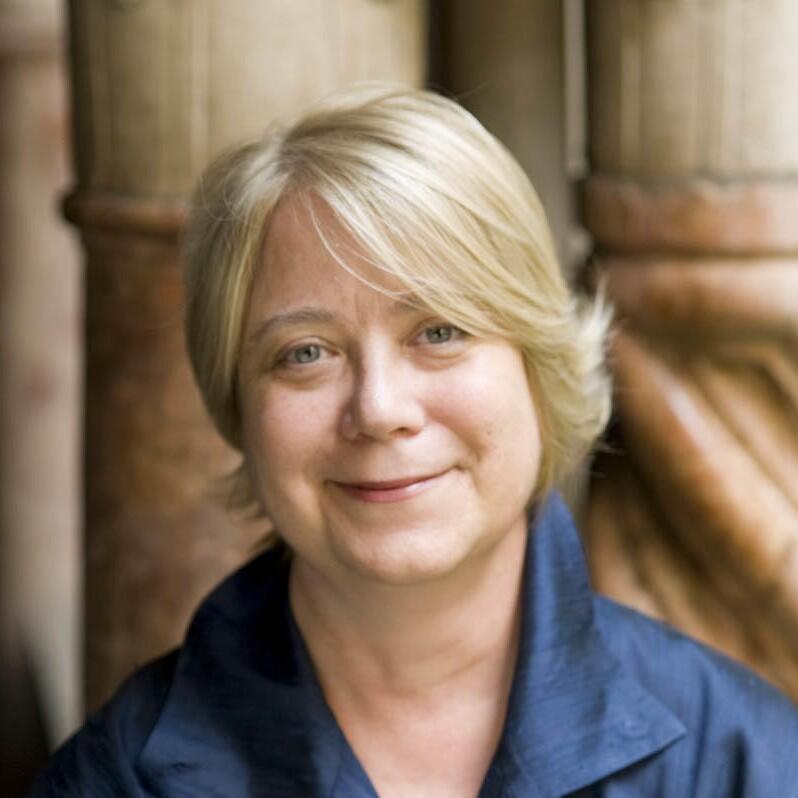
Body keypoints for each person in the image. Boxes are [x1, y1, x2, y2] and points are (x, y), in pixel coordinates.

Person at [28, 85, 798, 798]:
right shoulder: (121, 778)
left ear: (541, 366)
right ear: (237, 406)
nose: (380, 409)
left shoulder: (739, 760)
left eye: (439, 331)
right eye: (305, 353)